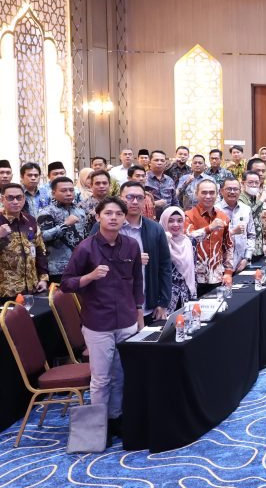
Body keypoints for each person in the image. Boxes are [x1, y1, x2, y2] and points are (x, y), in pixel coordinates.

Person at [60, 196, 143, 443]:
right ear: (98, 217)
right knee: (101, 378)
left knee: (121, 374)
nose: (113, 218)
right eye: (108, 213)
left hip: (126, 320)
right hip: (98, 322)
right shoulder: (85, 248)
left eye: (118, 213)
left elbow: (137, 282)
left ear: (124, 218)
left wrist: (139, 313)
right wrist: (90, 277)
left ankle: (115, 417)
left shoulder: (131, 245)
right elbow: (66, 284)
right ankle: (98, 426)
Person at [108, 182, 173, 323]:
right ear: (120, 198)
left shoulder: (155, 229)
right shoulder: (105, 226)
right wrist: (131, 259)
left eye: (139, 198)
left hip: (147, 305)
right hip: (112, 306)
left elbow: (165, 266)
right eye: (129, 197)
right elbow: (95, 261)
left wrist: (163, 301)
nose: (135, 202)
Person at [183, 179, 233, 295]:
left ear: (217, 194)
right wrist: (209, 228)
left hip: (217, 276)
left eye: (212, 192)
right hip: (194, 277)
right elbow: (188, 239)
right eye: (204, 192)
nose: (208, 196)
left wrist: (228, 272)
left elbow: (228, 246)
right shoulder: (188, 216)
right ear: (196, 194)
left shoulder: (223, 217)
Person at [37, 176, 89, 286]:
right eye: (64, 190)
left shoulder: (80, 211)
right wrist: (64, 225)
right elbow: (42, 237)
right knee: (61, 296)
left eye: (71, 190)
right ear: (53, 193)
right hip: (58, 268)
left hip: (81, 265)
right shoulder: (47, 212)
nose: (69, 193)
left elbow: (86, 237)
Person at [0, 183, 48, 299]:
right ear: (2, 199)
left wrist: (43, 278)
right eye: (10, 198)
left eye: (19, 197)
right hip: (5, 290)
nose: (15, 201)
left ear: (24, 199)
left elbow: (40, 250)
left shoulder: (30, 220)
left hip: (32, 288)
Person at [158, 207, 197, 311]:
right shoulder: (158, 243)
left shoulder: (189, 242)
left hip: (186, 296)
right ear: (164, 222)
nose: (176, 224)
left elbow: (194, 270)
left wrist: (194, 295)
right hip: (165, 301)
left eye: (179, 221)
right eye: (170, 221)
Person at [215, 177, 253, 273]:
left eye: (235, 189)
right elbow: (211, 239)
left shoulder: (246, 209)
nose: (232, 192)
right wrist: (232, 232)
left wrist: (247, 258)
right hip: (220, 266)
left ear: (240, 191)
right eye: (229, 189)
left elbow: (251, 235)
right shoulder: (214, 210)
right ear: (221, 191)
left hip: (242, 263)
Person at [239, 171, 266, 258]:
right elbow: (248, 217)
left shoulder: (255, 198)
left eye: (256, 183)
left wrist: (263, 245)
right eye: (250, 182)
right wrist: (261, 200)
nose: (254, 185)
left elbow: (257, 223)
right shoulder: (240, 199)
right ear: (243, 183)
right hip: (246, 248)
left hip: (258, 247)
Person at [145, 150, 177, 219]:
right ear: (149, 163)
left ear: (165, 163)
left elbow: (175, 202)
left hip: (168, 219)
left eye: (162, 161)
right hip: (149, 219)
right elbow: (138, 203)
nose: (159, 163)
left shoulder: (169, 180)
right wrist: (154, 204)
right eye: (156, 160)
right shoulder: (143, 179)